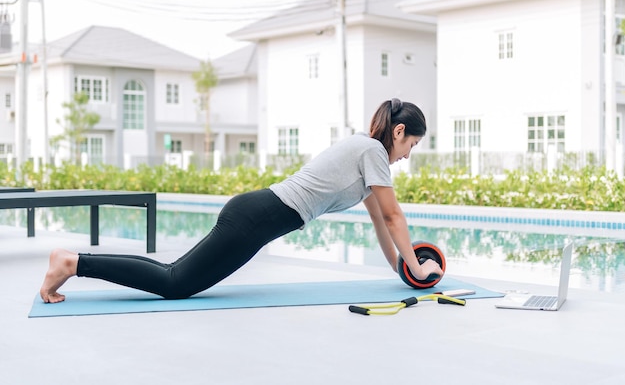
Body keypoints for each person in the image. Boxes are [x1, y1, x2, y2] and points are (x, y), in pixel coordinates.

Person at [40, 98, 443, 303]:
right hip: (255, 218)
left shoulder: (365, 154)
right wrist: (418, 268)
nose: (408, 153)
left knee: (175, 272)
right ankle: (73, 263)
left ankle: (73, 262)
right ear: (399, 131)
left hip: (256, 214)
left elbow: (379, 220)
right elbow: (394, 217)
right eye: (412, 143)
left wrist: (400, 268)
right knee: (176, 284)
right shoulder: (372, 152)